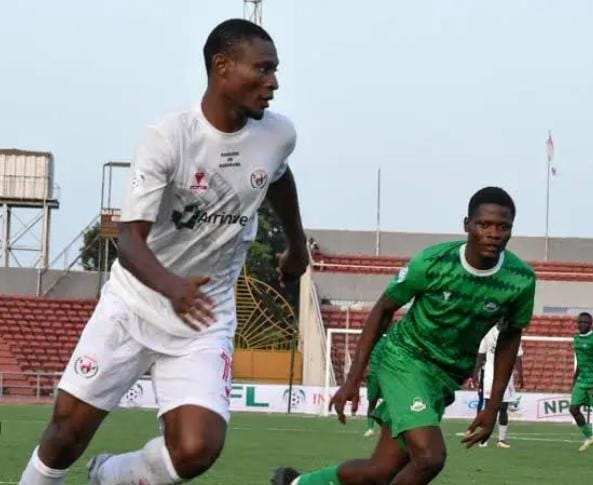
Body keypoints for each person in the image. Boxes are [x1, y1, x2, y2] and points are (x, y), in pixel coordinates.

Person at [20, 18, 308, 485]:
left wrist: (296, 245)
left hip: (204, 315)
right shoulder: (168, 136)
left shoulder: (278, 136)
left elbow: (278, 176)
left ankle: (109, 475)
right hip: (135, 303)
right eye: (263, 69)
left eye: (275, 70)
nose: (274, 82)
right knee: (67, 431)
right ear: (222, 67)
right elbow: (128, 239)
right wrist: (172, 286)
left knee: (196, 449)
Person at [272, 186, 536, 485]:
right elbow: (383, 310)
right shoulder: (433, 263)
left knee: (380, 471)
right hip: (406, 358)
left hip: (445, 376)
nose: (493, 234)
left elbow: (510, 337)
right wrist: (353, 378)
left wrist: (492, 405)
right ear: (467, 225)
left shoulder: (521, 280)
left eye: (503, 227)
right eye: (484, 225)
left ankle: (296, 483)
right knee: (429, 457)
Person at [473, 322, 524, 448]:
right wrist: (475, 373)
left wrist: (520, 374)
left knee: (503, 407)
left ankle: (502, 440)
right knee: (488, 406)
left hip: (506, 374)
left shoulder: (513, 334)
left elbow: (517, 356)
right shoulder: (488, 333)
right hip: (490, 374)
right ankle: (484, 438)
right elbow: (481, 354)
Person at [569, 312, 593, 452]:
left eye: (586, 322)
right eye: (580, 322)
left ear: (591, 325)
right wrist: (574, 377)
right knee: (573, 408)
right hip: (582, 380)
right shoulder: (576, 339)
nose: (583, 324)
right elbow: (580, 359)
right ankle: (589, 436)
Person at [364, 332, 388, 437]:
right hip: (374, 375)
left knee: (389, 402)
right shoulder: (373, 340)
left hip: (385, 375)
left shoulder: (392, 339)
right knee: (372, 401)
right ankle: (370, 428)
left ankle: (384, 425)